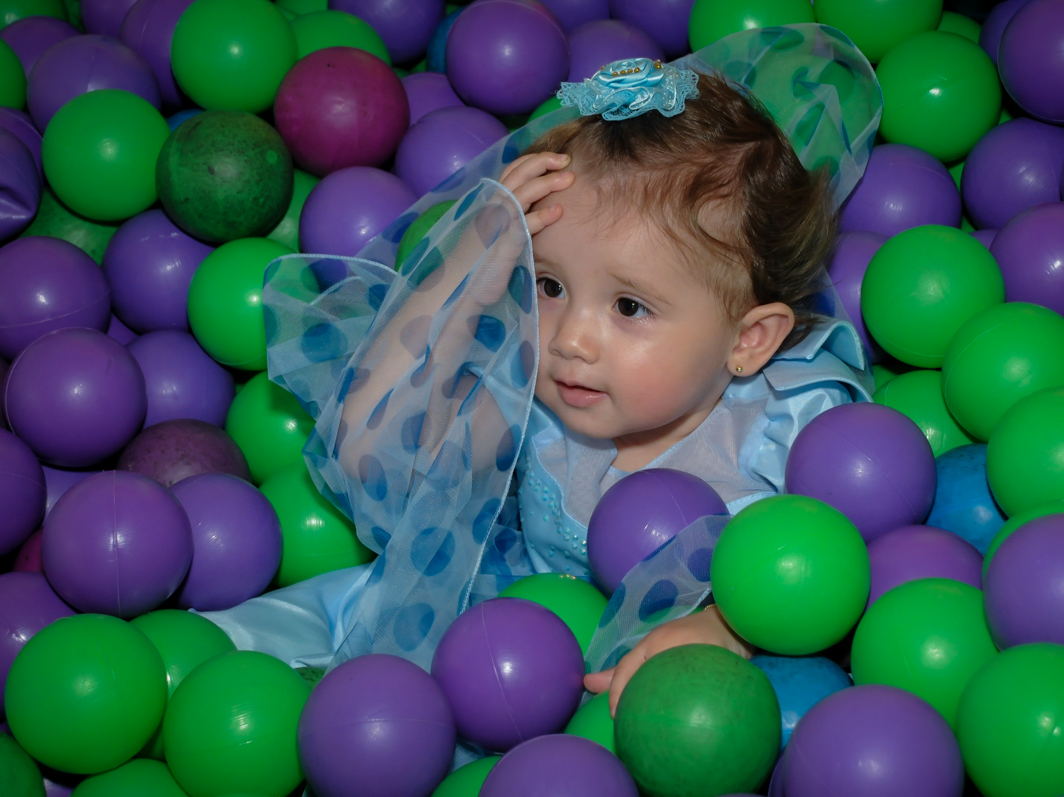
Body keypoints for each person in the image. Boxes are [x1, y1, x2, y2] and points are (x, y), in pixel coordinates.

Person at [205, 25, 880, 718]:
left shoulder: (785, 434)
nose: (571, 340)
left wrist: (728, 626)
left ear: (750, 340)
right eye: (549, 285)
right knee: (288, 650)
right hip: (500, 635)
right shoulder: (525, 396)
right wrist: (460, 282)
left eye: (628, 305)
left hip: (648, 701)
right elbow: (363, 455)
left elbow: (825, 581)